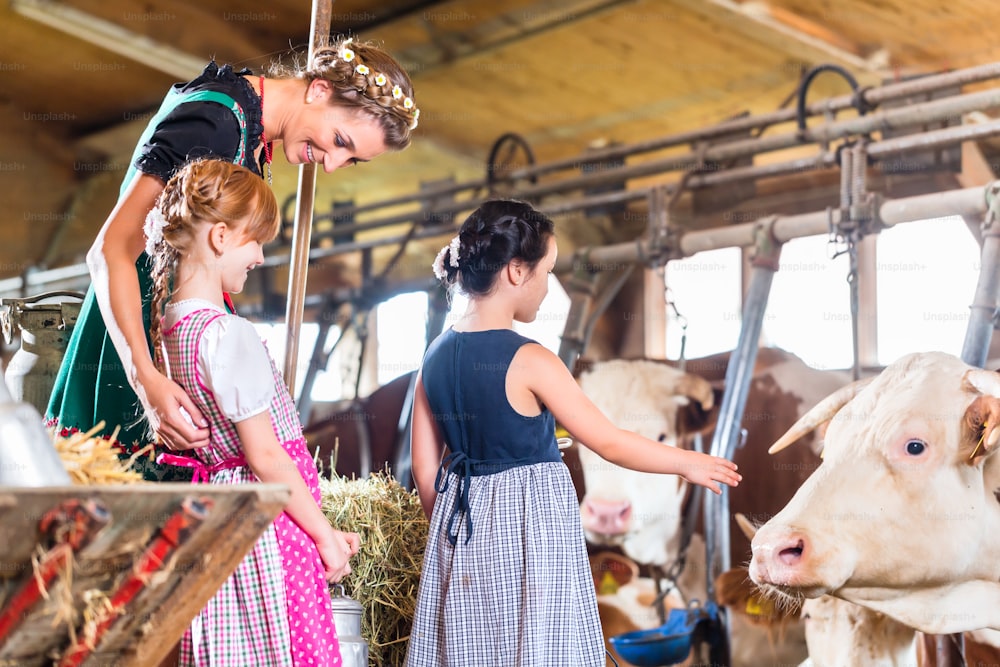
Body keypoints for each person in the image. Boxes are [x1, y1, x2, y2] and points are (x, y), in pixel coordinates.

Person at [46, 36, 418, 480]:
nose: (334, 164)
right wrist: (146, 380)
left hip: (172, 349)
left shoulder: (249, 127)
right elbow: (108, 252)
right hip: (136, 353)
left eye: (352, 160)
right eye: (340, 140)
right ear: (318, 90)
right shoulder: (217, 120)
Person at [404, 199, 742, 667]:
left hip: (461, 530)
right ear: (517, 272)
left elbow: (424, 466)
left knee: (471, 644)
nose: (546, 288)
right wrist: (688, 461)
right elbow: (608, 441)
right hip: (531, 535)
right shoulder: (533, 360)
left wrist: (452, 535)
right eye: (547, 272)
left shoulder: (433, 356)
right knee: (541, 645)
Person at [144, 157, 360, 665]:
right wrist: (323, 535)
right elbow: (264, 456)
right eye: (254, 240)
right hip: (268, 526)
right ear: (219, 237)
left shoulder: (168, 330)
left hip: (221, 524)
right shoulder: (227, 333)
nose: (261, 257)